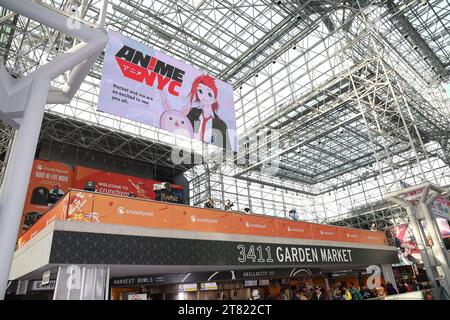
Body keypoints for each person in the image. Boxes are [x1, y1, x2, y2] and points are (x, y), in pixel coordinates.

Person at [184, 75, 232, 151]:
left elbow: (226, 148)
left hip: (210, 155)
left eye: (209, 94)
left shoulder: (221, 124)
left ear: (215, 99)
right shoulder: (192, 113)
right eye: (200, 91)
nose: (204, 97)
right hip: (189, 149)